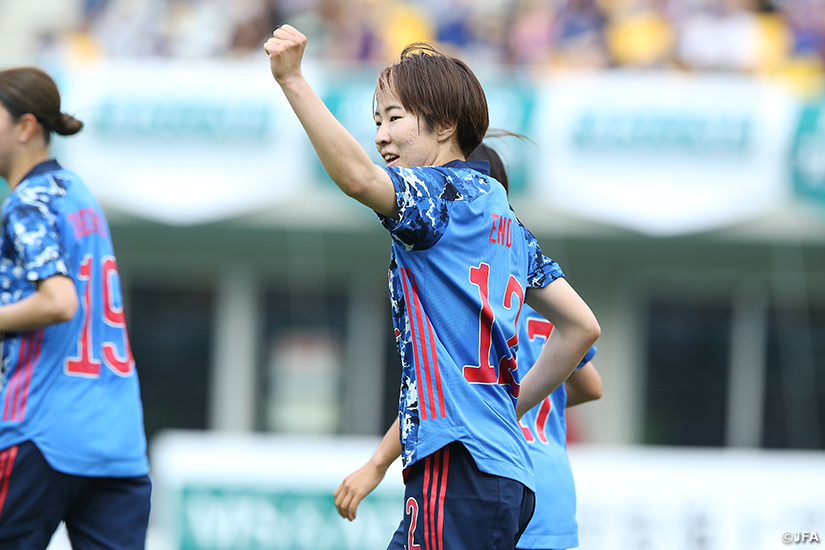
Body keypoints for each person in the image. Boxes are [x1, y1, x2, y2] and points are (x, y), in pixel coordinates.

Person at [265, 27, 600, 550]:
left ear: (445, 126)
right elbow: (581, 327)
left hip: (459, 464)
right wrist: (506, 410)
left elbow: (358, 179)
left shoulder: (438, 198)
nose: (381, 136)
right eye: (377, 121)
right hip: (505, 471)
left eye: (394, 117)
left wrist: (292, 80)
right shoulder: (503, 215)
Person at [334, 143, 604, 550]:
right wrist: (526, 402)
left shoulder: (470, 300)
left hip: (484, 461)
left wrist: (377, 463)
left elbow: (440, 395)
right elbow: (591, 385)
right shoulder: (540, 296)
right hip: (547, 487)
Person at [0, 67, 150, 550]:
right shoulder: (77, 192)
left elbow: (59, 301)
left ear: (25, 127)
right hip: (118, 441)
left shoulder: (27, 203)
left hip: (41, 430)